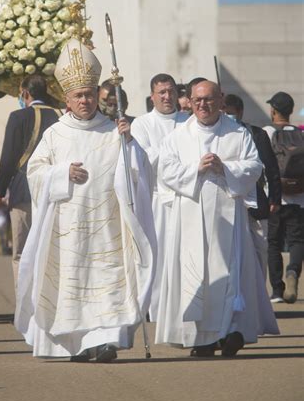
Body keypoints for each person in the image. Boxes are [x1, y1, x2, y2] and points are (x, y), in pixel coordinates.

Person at [15, 39, 157, 362]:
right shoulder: (55, 134)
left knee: (107, 280)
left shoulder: (115, 131)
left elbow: (142, 174)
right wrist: (63, 173)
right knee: (73, 282)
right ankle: (78, 342)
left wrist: (130, 142)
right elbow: (35, 174)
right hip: (69, 228)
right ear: (67, 99)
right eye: (78, 95)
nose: (85, 100)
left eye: (90, 94)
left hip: (108, 224)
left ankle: (106, 340)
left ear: (97, 96)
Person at [156, 80, 279, 357]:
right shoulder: (178, 136)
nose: (203, 105)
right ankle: (202, 339)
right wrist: (196, 169)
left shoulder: (237, 132)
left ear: (220, 100)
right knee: (196, 273)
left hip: (229, 218)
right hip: (190, 216)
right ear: (189, 101)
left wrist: (225, 167)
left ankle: (231, 332)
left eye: (209, 99)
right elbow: (165, 169)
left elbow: (254, 166)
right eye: (197, 100)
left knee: (229, 272)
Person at [131, 74, 188, 320]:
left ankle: (183, 306)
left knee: (185, 255)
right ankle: (155, 308)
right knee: (158, 255)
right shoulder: (142, 124)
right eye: (161, 92)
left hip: (186, 197)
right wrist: (177, 160)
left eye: (170, 91)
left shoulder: (189, 121)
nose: (166, 96)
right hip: (155, 200)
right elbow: (144, 160)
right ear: (152, 96)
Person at [0, 75, 62, 284]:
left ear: (25, 93)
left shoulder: (18, 117)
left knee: (22, 252)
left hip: (23, 190)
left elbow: (8, 158)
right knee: (51, 249)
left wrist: (0, 188)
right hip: (54, 190)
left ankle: (25, 306)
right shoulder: (60, 115)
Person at [223, 93, 281, 277]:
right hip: (229, 201)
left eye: (230, 113)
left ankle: (260, 293)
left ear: (240, 112)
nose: (227, 117)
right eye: (224, 113)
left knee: (259, 247)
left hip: (256, 202)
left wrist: (275, 198)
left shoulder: (256, 133)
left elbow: (271, 168)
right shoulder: (220, 134)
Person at [263, 92, 304, 304]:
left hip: (275, 198)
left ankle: (277, 291)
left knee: (274, 243)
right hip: (299, 198)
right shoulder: (300, 134)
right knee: (297, 240)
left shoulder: (267, 132)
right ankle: (293, 272)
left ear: (273, 111)